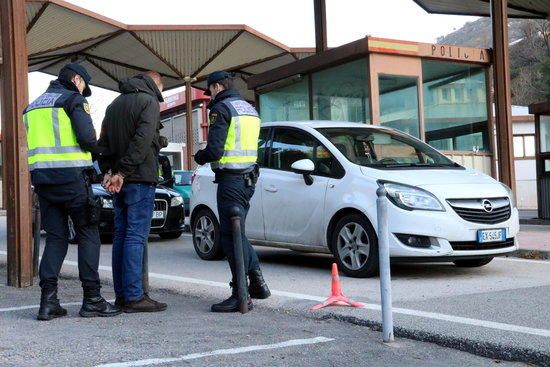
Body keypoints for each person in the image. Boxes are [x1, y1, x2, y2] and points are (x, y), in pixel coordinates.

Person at [23, 63, 121, 321]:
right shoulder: (72, 100)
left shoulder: (32, 107)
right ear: (76, 79)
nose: (83, 90)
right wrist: (107, 155)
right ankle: (92, 299)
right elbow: (87, 139)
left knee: (56, 238)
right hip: (72, 181)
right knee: (88, 233)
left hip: (43, 182)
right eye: (83, 85)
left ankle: (48, 302)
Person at [195, 70, 271, 313]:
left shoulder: (222, 109)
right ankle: (256, 284)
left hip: (231, 180)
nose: (210, 96)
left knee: (229, 236)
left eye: (211, 91)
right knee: (237, 233)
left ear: (217, 86)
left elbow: (215, 150)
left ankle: (241, 293)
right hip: (248, 179)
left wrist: (199, 156)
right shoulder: (249, 109)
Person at [98, 71, 167, 313]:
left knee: (121, 235)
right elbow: (142, 140)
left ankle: (122, 294)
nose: (161, 94)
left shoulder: (114, 104)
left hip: (119, 180)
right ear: (154, 84)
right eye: (161, 88)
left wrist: (109, 171)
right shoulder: (149, 102)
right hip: (138, 178)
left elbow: (103, 143)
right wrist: (124, 172)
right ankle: (135, 296)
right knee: (136, 237)